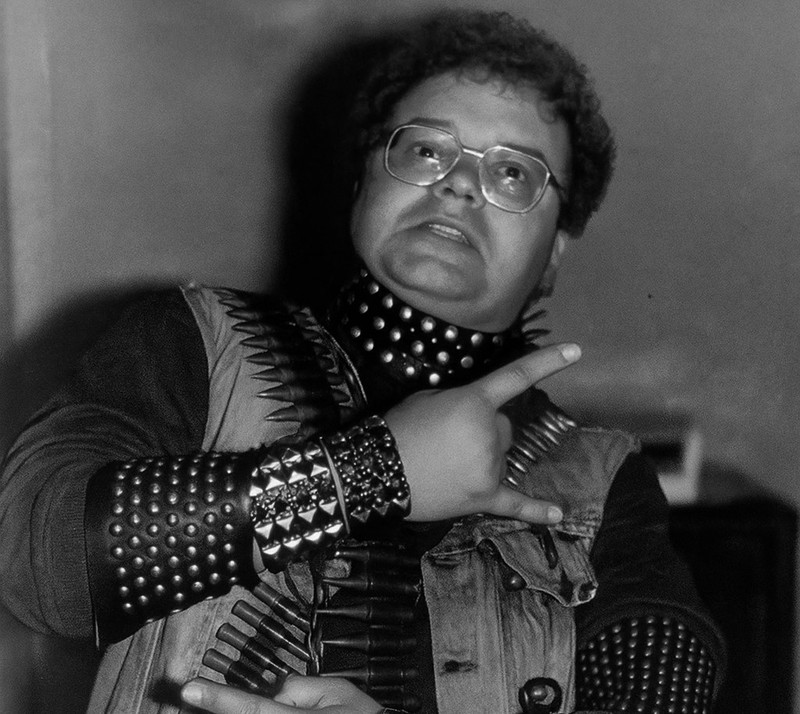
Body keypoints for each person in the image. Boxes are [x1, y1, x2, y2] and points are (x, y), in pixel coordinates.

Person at [0, 10, 724, 714]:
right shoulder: (190, 342)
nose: (459, 183)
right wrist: (370, 471)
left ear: (555, 252)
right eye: (426, 150)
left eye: (512, 173)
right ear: (363, 182)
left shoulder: (597, 482)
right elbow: (39, 564)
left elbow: (662, 688)